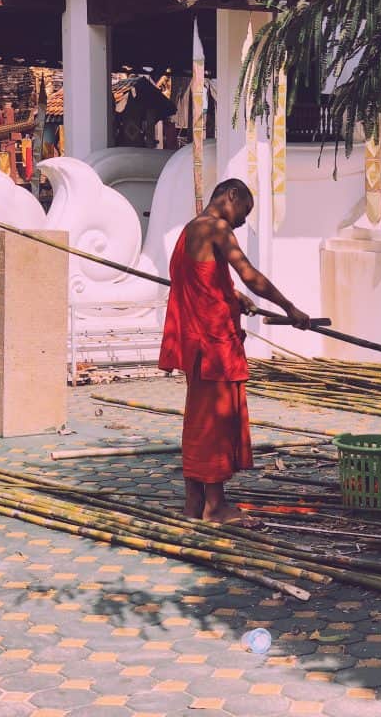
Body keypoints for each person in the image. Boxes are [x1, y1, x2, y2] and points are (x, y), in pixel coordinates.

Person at [159, 179, 310, 525]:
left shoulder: (189, 231)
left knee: (198, 422)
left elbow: (202, 281)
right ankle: (216, 507)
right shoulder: (217, 228)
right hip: (213, 346)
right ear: (232, 196)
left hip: (198, 345)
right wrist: (290, 307)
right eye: (245, 211)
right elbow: (249, 275)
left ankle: (194, 503)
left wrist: (232, 298)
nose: (242, 221)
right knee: (215, 422)